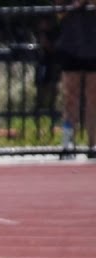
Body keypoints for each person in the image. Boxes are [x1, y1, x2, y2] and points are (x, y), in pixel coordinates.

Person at [56, 0, 96, 156]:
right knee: (70, 98)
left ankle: (93, 144)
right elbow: (59, 10)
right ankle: (67, 143)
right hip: (71, 47)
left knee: (93, 98)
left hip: (93, 47)